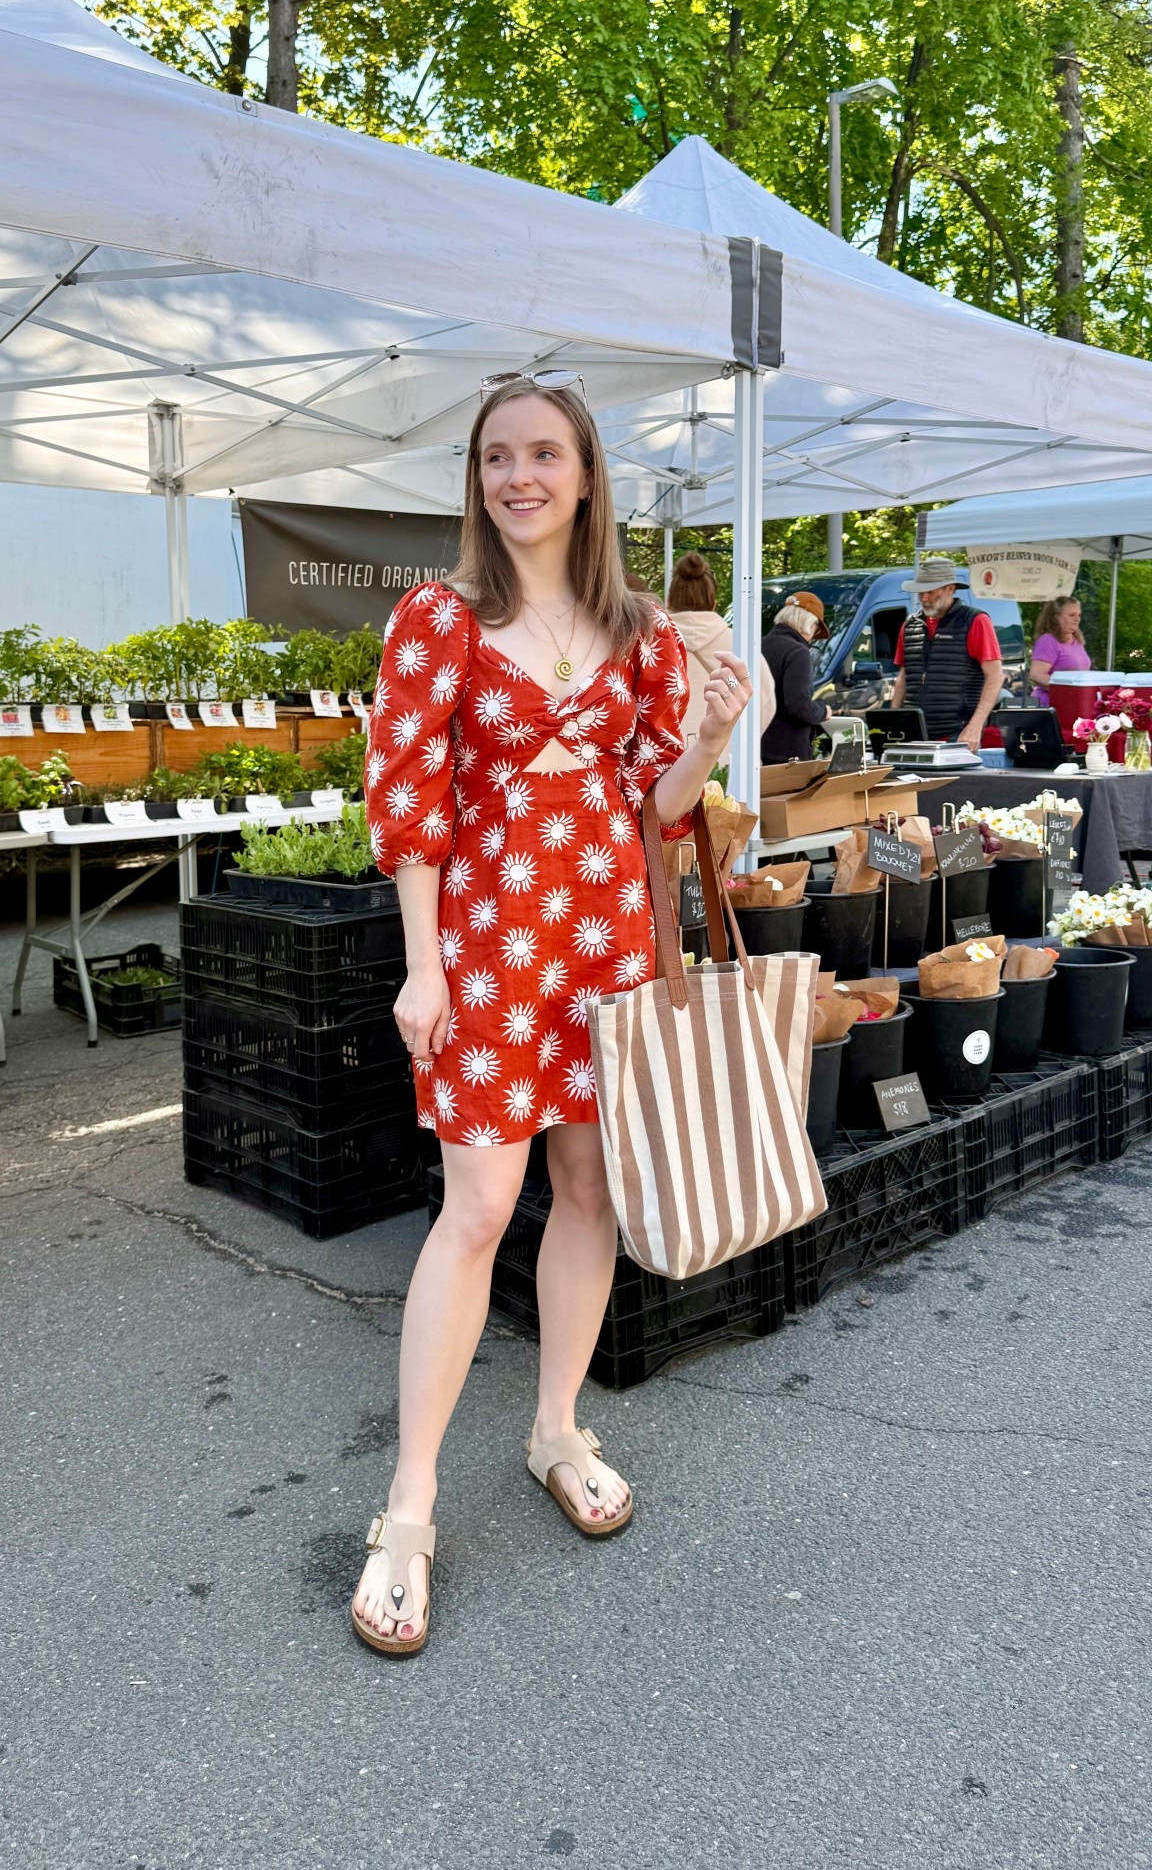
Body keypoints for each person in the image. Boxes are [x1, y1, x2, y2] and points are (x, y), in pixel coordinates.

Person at [352, 375, 753, 1655]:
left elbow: (655, 800)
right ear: (477, 480)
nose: (517, 475)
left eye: (543, 453)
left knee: (588, 1193)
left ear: (586, 474)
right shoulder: (439, 620)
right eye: (494, 457)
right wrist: (423, 967)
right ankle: (409, 1501)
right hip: (484, 953)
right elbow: (409, 807)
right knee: (475, 1210)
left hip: (607, 948)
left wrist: (706, 740)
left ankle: (555, 1425)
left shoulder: (638, 627)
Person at [666, 551, 775, 763]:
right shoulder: (743, 647)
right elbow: (765, 705)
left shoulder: (650, 646)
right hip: (731, 766)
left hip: (665, 771)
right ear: (713, 602)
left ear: (669, 600)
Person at [891, 557, 1003, 749]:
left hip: (957, 734)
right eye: (921, 592)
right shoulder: (910, 624)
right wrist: (892, 719)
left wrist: (975, 726)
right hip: (914, 733)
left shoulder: (975, 621)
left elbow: (995, 676)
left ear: (950, 589)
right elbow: (904, 675)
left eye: (931, 592)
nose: (924, 598)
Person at [761, 590, 830, 762]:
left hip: (757, 747)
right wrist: (823, 711)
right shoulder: (798, 652)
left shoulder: (759, 645)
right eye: (816, 629)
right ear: (810, 623)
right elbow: (799, 704)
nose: (813, 637)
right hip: (788, 755)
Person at [1030, 595, 1090, 706]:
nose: (1077, 619)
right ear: (1056, 617)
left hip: (1071, 705)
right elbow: (1036, 675)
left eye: (1078, 615)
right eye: (1071, 615)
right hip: (1049, 706)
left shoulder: (1077, 641)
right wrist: (1068, 689)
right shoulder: (1048, 640)